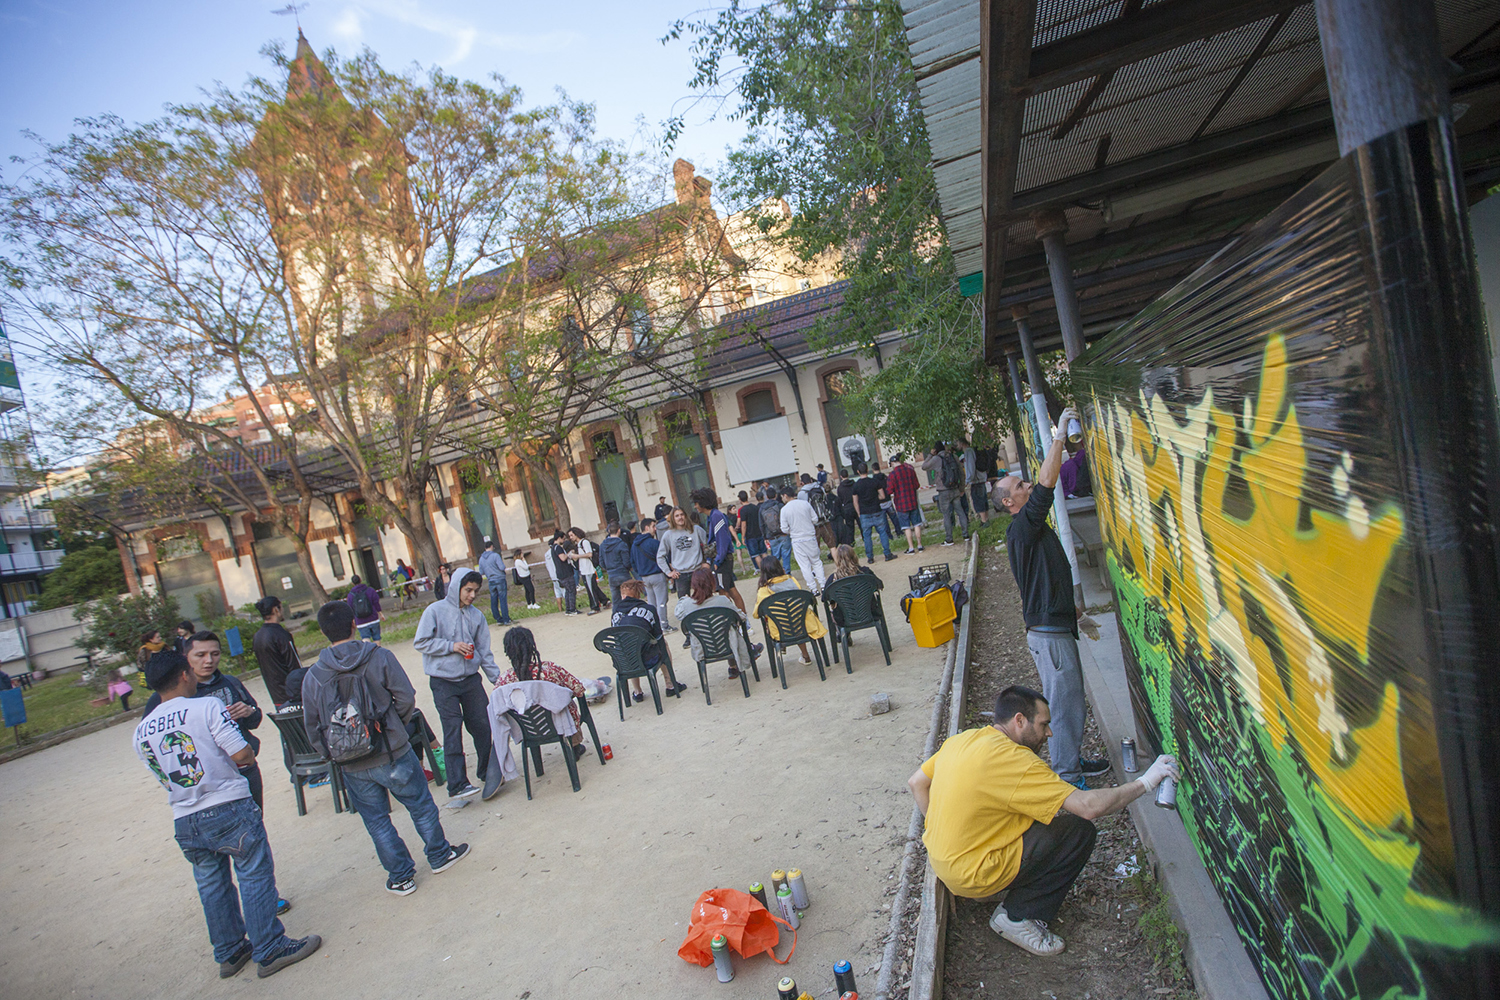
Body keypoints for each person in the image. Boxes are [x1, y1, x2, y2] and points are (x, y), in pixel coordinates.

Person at [909, 685, 1179, 956]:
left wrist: (944, 830)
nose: (1049, 733)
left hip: (942, 860)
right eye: (1044, 724)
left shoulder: (964, 739)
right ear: (1019, 720)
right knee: (1077, 832)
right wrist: (1146, 781)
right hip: (973, 873)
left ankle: (986, 884)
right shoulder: (1016, 761)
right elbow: (1088, 807)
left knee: (1042, 817)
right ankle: (1017, 917)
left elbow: (917, 783)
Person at [134, 651, 321, 980]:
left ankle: (230, 950)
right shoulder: (205, 707)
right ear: (183, 675)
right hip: (226, 804)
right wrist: (235, 763)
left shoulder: (141, 731)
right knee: (253, 874)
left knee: (211, 883)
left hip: (184, 815)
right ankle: (269, 947)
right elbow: (242, 753)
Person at [302, 600, 470, 896]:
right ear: (354, 624)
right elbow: (406, 697)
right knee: (419, 804)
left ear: (323, 632)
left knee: (377, 820)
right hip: (392, 750)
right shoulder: (379, 657)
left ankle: (401, 875)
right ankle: (439, 855)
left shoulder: (314, 675)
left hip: (351, 763)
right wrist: (395, 728)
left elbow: (313, 725)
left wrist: (332, 753)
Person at [993, 407, 1110, 788]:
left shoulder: (1029, 531)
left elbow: (1042, 579)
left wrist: (1073, 612)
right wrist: (1059, 434)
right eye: (1019, 488)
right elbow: (1047, 483)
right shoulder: (1023, 526)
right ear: (1010, 503)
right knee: (1063, 706)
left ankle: (1071, 762)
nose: (1027, 487)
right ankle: (1068, 776)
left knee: (1069, 702)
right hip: (1048, 633)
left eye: (1024, 483)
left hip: (1054, 624)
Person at [414, 567, 503, 802]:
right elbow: (421, 642)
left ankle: (487, 771)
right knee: (452, 730)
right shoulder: (434, 611)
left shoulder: (477, 617)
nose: (472, 595)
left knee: (483, 725)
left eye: (475, 591)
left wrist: (498, 680)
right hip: (444, 682)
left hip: (471, 681)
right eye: (467, 590)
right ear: (455, 588)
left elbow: (484, 652)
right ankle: (457, 784)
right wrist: (450, 646)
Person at [496, 626, 589, 757]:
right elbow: (578, 689)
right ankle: (574, 745)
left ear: (508, 652)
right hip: (561, 725)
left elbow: (498, 706)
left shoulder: (504, 680)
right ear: (532, 647)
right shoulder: (550, 670)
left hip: (527, 730)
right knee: (565, 703)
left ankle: (536, 756)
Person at [674, 568, 759, 680]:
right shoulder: (722, 601)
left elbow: (678, 614)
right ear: (712, 583)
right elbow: (741, 617)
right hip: (727, 645)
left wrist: (684, 599)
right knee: (728, 630)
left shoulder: (687, 604)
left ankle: (733, 666)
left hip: (703, 648)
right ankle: (747, 653)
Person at [611, 579, 687, 701]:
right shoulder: (649, 609)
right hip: (647, 660)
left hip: (624, 663)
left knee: (627, 647)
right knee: (663, 645)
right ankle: (670, 684)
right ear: (638, 595)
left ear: (623, 596)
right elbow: (658, 636)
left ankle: (637, 691)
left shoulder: (615, 613)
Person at [754, 556, 826, 666]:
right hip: (803, 625)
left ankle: (782, 646)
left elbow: (756, 613)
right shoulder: (791, 580)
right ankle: (805, 655)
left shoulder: (764, 590)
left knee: (773, 619)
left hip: (780, 630)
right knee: (795, 616)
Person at [692, 487, 746, 614]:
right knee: (731, 589)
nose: (695, 506)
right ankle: (743, 620)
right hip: (722, 559)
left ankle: (735, 619)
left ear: (703, 502)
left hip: (722, 560)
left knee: (723, 592)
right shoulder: (712, 516)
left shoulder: (716, 516)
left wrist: (717, 561)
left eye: (696, 503)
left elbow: (722, 541)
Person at [251, 596, 302, 709]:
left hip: (276, 696)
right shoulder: (281, 635)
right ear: (276, 610)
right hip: (292, 696)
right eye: (281, 608)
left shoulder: (258, 636)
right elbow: (294, 666)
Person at [778, 484, 826, 594]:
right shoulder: (805, 504)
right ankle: (823, 585)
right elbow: (814, 519)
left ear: (785, 496)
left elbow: (784, 529)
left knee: (804, 565)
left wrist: (793, 530)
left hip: (797, 539)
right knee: (816, 562)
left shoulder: (784, 510)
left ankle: (813, 588)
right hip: (810, 537)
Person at [656, 507, 708, 603]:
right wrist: (668, 572)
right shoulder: (668, 535)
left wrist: (707, 562)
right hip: (680, 574)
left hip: (696, 571)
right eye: (677, 516)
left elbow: (708, 546)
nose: (680, 518)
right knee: (684, 603)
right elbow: (660, 556)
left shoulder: (696, 529)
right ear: (673, 518)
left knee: (703, 599)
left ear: (685, 516)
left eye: (681, 515)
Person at [922, 441, 970, 545]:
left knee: (946, 515)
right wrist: (961, 488)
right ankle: (966, 535)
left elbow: (924, 466)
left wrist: (930, 454)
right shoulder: (953, 457)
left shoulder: (936, 459)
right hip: (955, 488)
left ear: (935, 450)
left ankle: (949, 538)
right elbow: (961, 473)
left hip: (943, 491)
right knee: (960, 512)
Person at [631, 518, 673, 632]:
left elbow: (632, 562)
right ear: (646, 528)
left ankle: (655, 625)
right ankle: (664, 626)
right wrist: (668, 572)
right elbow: (664, 558)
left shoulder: (635, 545)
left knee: (652, 603)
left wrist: (639, 572)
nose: (655, 529)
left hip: (644, 577)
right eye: (653, 526)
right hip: (657, 575)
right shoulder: (654, 543)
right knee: (661, 601)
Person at [851, 462, 896, 564]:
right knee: (882, 532)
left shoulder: (856, 485)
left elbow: (855, 502)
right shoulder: (875, 482)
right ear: (868, 470)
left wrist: (859, 513)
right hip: (876, 510)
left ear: (858, 472)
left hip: (864, 513)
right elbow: (883, 496)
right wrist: (876, 498)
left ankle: (870, 557)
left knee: (867, 536)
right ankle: (887, 554)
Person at [886, 453, 924, 554]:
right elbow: (916, 485)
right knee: (917, 524)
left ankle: (911, 547)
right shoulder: (910, 471)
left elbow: (889, 490)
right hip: (912, 501)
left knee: (906, 527)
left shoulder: (892, 475)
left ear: (893, 463)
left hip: (901, 504)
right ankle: (920, 545)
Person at [568, 527, 607, 615]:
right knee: (593, 587)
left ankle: (595, 606)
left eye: (572, 535)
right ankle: (604, 600)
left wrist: (577, 556)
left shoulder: (584, 542)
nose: (570, 537)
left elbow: (589, 554)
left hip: (588, 569)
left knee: (590, 589)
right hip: (584, 569)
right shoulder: (578, 544)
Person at [476, 540, 513, 626]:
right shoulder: (495, 556)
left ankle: (498, 619)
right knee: (503, 599)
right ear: (492, 546)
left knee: (493, 600)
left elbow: (481, 572)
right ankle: (506, 619)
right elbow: (501, 567)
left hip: (491, 580)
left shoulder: (481, 559)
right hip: (499, 579)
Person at [600, 522, 635, 608]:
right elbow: (626, 561)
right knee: (630, 597)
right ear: (619, 530)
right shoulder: (621, 544)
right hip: (622, 573)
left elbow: (601, 561)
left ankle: (616, 618)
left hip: (611, 574)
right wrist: (628, 567)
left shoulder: (602, 545)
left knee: (616, 600)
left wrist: (608, 568)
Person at [759, 487, 793, 576]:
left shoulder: (762, 508)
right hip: (783, 533)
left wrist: (765, 537)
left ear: (766, 496)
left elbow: (761, 524)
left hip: (771, 536)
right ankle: (787, 573)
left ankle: (776, 574)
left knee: (775, 557)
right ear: (776, 495)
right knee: (786, 554)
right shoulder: (779, 505)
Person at [959, 435, 990, 525]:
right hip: (981, 478)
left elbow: (970, 467)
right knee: (983, 499)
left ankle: (984, 521)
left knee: (978, 501)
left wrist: (968, 480)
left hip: (975, 480)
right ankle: (985, 519)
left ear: (962, 443)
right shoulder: (976, 450)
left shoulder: (968, 451)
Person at [346, 575, 385, 643]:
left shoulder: (350, 595)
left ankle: (368, 653)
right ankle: (377, 653)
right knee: (376, 638)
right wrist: (380, 614)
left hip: (360, 621)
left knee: (365, 638)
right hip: (373, 618)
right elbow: (376, 603)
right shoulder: (370, 590)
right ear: (361, 580)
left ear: (352, 583)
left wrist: (352, 620)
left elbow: (350, 608)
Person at [544, 536, 576, 615]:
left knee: (564, 592)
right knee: (571, 590)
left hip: (556, 575)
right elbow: (563, 558)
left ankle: (567, 609)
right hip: (564, 573)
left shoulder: (550, 552)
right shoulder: (558, 549)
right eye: (563, 538)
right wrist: (569, 554)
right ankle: (572, 609)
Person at [737, 490, 764, 571]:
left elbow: (743, 525)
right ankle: (768, 569)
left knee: (756, 555)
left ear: (740, 499)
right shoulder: (755, 507)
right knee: (764, 553)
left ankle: (763, 571)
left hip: (750, 536)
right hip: (759, 533)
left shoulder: (742, 510)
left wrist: (742, 537)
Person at [834, 471, 858, 547]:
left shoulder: (840, 488)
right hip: (856, 505)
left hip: (847, 508)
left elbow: (840, 499)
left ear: (841, 476)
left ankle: (851, 541)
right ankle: (865, 538)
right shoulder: (854, 484)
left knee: (849, 526)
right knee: (861, 524)